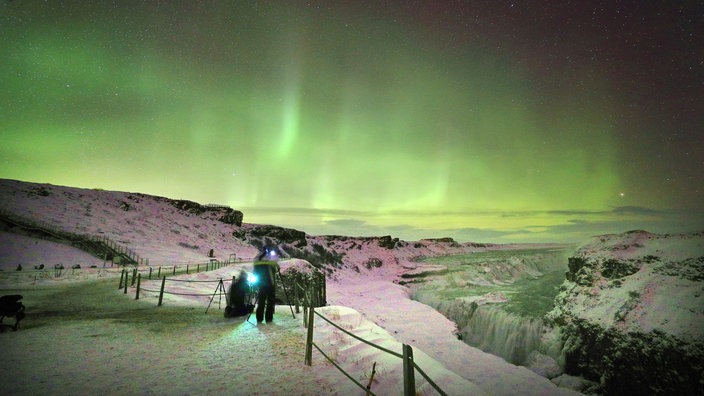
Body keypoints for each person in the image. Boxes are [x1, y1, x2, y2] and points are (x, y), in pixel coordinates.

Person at [253, 247, 280, 323]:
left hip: (261, 284)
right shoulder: (270, 259)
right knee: (270, 301)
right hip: (270, 283)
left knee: (261, 301)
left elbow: (254, 271)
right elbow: (277, 269)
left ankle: (259, 318)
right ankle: (268, 318)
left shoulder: (257, 258)